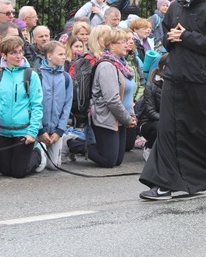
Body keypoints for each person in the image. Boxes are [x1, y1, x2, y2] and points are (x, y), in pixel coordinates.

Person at [139, 0, 206, 200]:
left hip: (199, 79)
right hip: (174, 76)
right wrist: (172, 37)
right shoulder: (175, 7)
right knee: (168, 130)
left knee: (200, 131)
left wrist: (185, 36)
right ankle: (163, 183)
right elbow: (166, 40)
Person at [68, 29, 137, 167]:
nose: (127, 44)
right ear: (111, 45)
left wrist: (131, 116)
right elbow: (111, 100)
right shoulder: (107, 66)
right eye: (122, 42)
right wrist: (127, 118)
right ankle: (72, 142)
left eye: (127, 41)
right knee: (108, 161)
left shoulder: (124, 66)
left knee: (117, 160)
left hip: (121, 118)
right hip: (106, 117)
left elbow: (128, 95)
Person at [0, 36, 45, 178]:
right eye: (13, 53)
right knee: (5, 171)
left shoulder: (31, 75)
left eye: (20, 51)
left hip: (23, 131)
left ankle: (38, 154)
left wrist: (32, 132)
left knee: (19, 172)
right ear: (4, 56)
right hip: (3, 131)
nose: (18, 56)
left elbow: (37, 105)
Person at [38, 41, 73, 171]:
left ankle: (63, 139)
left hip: (56, 129)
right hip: (40, 130)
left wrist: (59, 131)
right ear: (49, 56)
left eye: (64, 54)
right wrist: (40, 130)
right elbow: (34, 105)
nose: (64, 57)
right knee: (39, 167)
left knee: (54, 166)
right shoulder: (38, 75)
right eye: (60, 54)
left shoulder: (66, 77)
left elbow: (67, 105)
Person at [138, 54, 167, 161]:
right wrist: (168, 119)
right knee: (161, 126)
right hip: (149, 123)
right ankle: (148, 147)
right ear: (164, 67)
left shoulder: (176, 85)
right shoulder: (151, 86)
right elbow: (151, 112)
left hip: (167, 119)